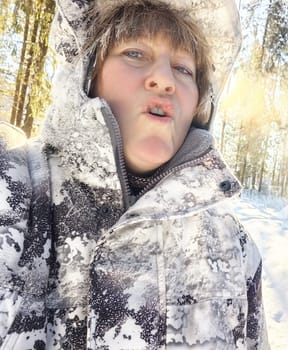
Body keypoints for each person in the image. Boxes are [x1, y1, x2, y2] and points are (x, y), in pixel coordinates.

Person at [0, 0, 269, 348]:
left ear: (200, 105)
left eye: (184, 69)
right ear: (88, 73)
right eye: (134, 53)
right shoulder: (13, 194)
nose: (163, 79)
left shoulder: (236, 249)